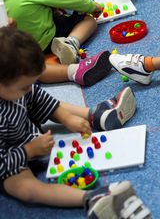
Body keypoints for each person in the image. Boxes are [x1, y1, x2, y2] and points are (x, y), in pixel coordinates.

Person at [0, 27, 151, 218]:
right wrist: (28, 151)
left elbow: (37, 98)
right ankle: (92, 198)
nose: (30, 89)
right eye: (23, 86)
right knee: (25, 189)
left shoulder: (18, 89)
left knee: (47, 103)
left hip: (22, 129)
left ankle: (94, 114)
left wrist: (67, 118)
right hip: (8, 160)